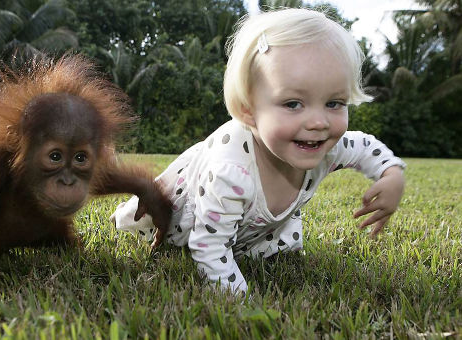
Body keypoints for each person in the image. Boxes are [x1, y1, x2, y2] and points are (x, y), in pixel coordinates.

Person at [112, 8, 406, 294]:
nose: (319, 122)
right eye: (293, 104)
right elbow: (209, 246)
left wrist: (391, 174)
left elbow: (366, 147)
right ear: (248, 111)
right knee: (211, 237)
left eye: (334, 103)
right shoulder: (230, 173)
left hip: (254, 227)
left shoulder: (326, 146)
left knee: (257, 242)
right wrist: (239, 301)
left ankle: (254, 243)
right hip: (187, 222)